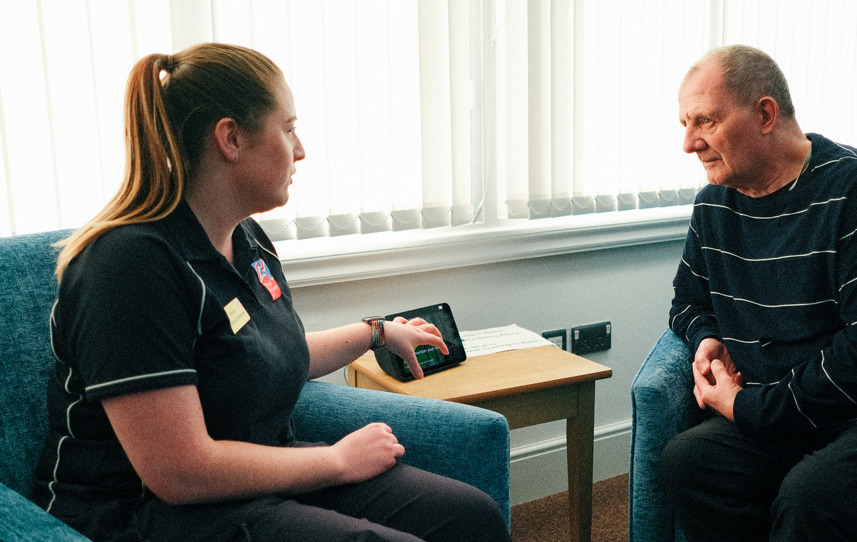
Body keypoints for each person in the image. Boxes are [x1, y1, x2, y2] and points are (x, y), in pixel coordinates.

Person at [32, 43, 510, 542]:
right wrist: (336, 461)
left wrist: (377, 333)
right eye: (288, 129)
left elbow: (268, 357)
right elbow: (179, 471)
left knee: (469, 517)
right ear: (231, 138)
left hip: (251, 477)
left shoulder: (246, 240)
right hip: (141, 514)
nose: (300, 150)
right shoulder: (129, 265)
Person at [659, 44, 857, 541]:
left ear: (765, 113)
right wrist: (706, 338)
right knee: (690, 463)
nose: (689, 143)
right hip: (802, 410)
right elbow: (688, 302)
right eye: (685, 124)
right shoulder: (714, 206)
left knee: (815, 496)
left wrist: (750, 409)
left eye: (706, 121)